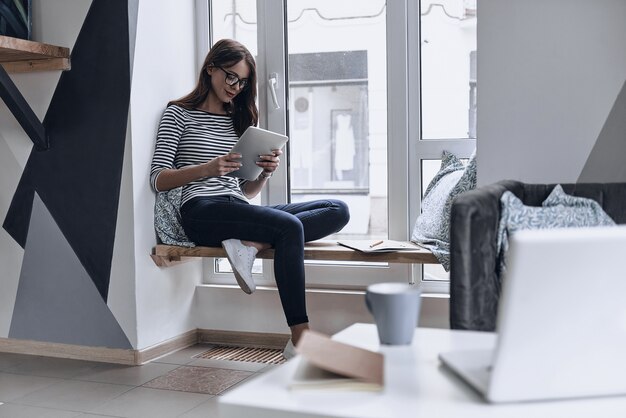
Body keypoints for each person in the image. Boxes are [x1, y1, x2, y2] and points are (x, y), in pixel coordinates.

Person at [150, 39, 350, 357]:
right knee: (289, 228)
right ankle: (299, 337)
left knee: (337, 209)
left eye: (242, 81)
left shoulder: (237, 119)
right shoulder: (178, 114)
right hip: (200, 210)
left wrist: (265, 174)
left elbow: (244, 191)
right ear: (210, 69)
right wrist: (206, 169)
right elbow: (158, 179)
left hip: (234, 206)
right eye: (231, 76)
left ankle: (250, 244)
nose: (236, 86)